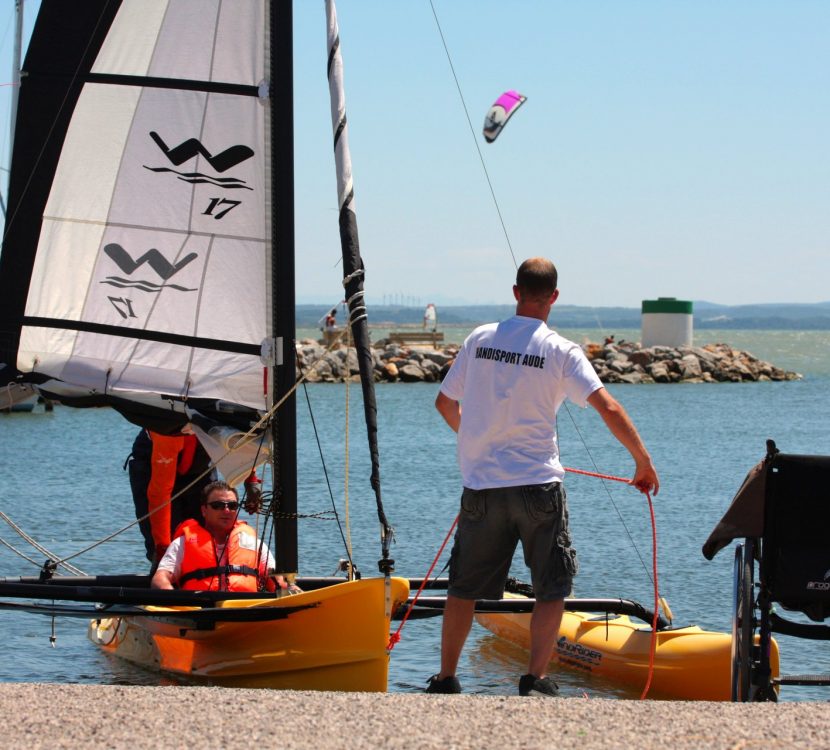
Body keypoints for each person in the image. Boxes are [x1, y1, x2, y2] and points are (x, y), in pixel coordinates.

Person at [427, 257, 659, 697]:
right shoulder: (561, 350)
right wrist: (642, 461)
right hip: (538, 486)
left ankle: (445, 678)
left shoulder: (479, 339)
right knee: (551, 587)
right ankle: (534, 678)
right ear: (554, 297)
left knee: (461, 588)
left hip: (482, 488)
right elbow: (607, 407)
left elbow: (444, 403)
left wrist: (476, 440)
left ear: (515, 292)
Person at [151, 480, 289, 592]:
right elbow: (160, 579)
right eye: (218, 505)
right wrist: (177, 602)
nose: (226, 510)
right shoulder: (182, 543)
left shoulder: (254, 544)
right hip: (199, 612)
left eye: (232, 505)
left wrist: (289, 587)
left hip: (246, 610)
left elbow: (277, 579)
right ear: (204, 510)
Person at [128, 428, 216, 566]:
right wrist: (162, 548)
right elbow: (160, 492)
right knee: (166, 548)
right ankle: (161, 572)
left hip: (198, 468)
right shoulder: (167, 430)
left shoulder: (222, 420)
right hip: (153, 466)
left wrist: (251, 481)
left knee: (208, 538)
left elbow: (246, 444)